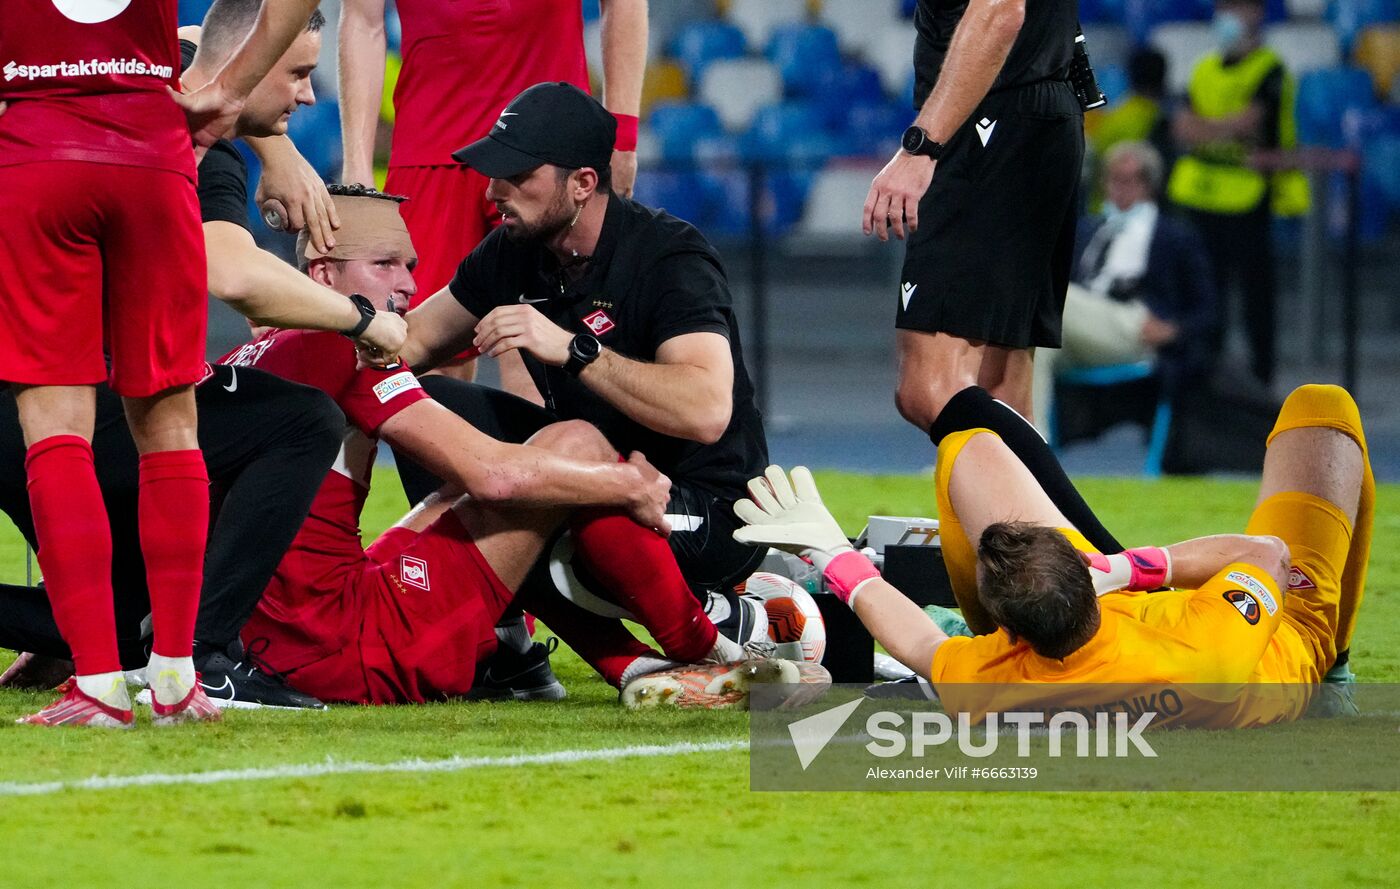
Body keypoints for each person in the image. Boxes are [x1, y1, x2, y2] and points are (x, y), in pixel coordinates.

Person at [226, 185, 788, 707]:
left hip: (255, 638)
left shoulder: (252, 355)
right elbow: (493, 476)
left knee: (505, 461)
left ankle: (611, 664)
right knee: (575, 446)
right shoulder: (347, 352)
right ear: (322, 276)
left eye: (411, 266)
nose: (409, 286)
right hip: (349, 645)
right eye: (385, 265)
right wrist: (627, 482)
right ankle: (707, 646)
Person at [0, 0, 324, 728]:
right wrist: (225, 84)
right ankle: (176, 676)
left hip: (34, 148)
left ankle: (98, 685)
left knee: (57, 428)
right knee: (171, 422)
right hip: (152, 151)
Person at [734, 382, 1374, 727]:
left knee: (969, 444)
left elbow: (921, 646)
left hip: (1124, 634)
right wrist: (1134, 566)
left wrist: (830, 553)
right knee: (1324, 407)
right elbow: (1265, 554)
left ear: (1008, 631)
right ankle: (1336, 670)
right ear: (1084, 573)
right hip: (1268, 635)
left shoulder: (998, 679)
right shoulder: (1209, 653)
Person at [395, 83, 774, 648]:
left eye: (517, 176)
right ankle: (504, 641)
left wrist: (575, 350)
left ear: (582, 184)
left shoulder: (669, 258)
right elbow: (412, 341)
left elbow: (706, 410)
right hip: (597, 470)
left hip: (705, 501)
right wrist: (324, 330)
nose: (495, 190)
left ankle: (724, 615)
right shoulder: (515, 248)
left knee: (576, 522)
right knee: (421, 404)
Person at [859, 0, 1126, 558]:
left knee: (930, 388)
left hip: (996, 122)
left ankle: (1104, 566)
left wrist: (921, 146)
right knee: (1001, 388)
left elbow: (1000, 10)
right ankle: (1039, 600)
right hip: (1036, 116)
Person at [338, 0, 647, 386]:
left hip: (549, 146)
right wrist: (357, 167)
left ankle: (557, 447)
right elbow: (363, 21)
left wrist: (624, 138)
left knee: (547, 344)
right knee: (417, 350)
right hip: (432, 146)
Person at [1167, 0, 1309, 388]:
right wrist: (1224, 128)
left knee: (1255, 295)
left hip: (1248, 195)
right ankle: (1207, 380)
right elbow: (1182, 127)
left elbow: (1250, 121)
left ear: (1256, 14)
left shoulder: (1270, 70)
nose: (1226, 16)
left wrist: (1207, 127)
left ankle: (1262, 380)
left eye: (1237, 7)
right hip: (1201, 194)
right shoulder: (1204, 68)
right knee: (1206, 292)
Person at [1032, 141, 1217, 432]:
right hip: (1082, 328)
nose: (1117, 188)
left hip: (1134, 328)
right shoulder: (1087, 230)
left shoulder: (1174, 236)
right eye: (1111, 179)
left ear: (1149, 185)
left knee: (1046, 300)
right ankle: (1030, 453)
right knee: (1032, 345)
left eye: (1127, 180)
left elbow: (1207, 307)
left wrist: (1174, 331)